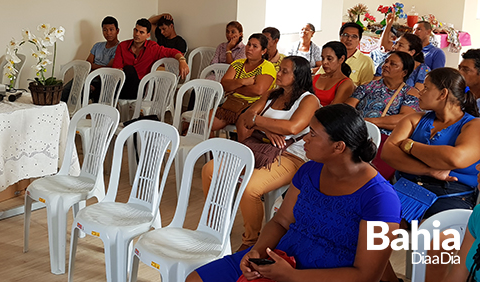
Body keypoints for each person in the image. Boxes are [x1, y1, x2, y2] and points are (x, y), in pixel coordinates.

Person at [187, 104, 401, 282]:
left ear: (338, 147)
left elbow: (367, 275)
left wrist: (292, 276)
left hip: (325, 274)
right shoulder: (309, 171)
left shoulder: (381, 199)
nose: (304, 139)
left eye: (313, 135)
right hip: (282, 256)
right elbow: (281, 221)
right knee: (195, 279)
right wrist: (258, 252)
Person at [204, 56, 318, 251]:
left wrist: (259, 122)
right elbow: (246, 116)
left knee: (250, 189)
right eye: (279, 69)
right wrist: (269, 129)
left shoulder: (308, 100)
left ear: (298, 76)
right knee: (210, 169)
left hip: (291, 156)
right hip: (259, 147)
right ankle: (217, 223)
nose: (278, 74)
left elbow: (292, 127)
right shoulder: (273, 94)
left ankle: (250, 241)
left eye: (284, 71)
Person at [382, 68, 480, 282]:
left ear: (443, 94)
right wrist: (430, 170)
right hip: (407, 188)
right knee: (367, 228)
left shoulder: (473, 124)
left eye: (426, 88)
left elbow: (456, 158)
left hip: (452, 195)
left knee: (437, 245)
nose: (420, 93)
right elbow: (388, 153)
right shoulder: (415, 119)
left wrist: (408, 145)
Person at [346, 51, 421, 179]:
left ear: (404, 72)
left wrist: (367, 122)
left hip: (386, 142)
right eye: (386, 62)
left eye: (393, 64)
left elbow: (404, 120)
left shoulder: (410, 93)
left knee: (371, 177)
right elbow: (348, 108)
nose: (386, 65)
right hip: (357, 135)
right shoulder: (368, 87)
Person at [211, 34, 276, 132]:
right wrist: (243, 81)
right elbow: (224, 85)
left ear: (263, 51)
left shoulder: (267, 66)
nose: (249, 48)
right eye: (248, 44)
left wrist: (234, 87)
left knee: (244, 126)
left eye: (255, 46)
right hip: (233, 104)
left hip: (254, 105)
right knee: (206, 125)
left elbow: (258, 90)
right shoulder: (237, 63)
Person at [112, 18, 189, 99]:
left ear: (148, 35)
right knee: (100, 85)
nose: (137, 34)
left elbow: (172, 52)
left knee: (128, 69)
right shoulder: (122, 46)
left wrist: (182, 61)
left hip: (141, 87)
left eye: (141, 32)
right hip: (123, 84)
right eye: (136, 30)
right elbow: (116, 69)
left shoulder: (153, 48)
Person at [60, 16, 120, 103]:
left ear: (117, 31)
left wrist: (94, 67)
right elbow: (87, 64)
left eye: (111, 29)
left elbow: (109, 69)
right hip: (88, 75)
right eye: (105, 30)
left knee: (81, 88)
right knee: (68, 87)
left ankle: (76, 112)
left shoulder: (119, 48)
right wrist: (95, 67)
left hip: (103, 79)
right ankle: (58, 109)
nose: (108, 33)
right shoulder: (97, 46)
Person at [316, 22, 375, 86]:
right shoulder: (332, 57)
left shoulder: (366, 61)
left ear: (359, 40)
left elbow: (367, 88)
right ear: (340, 37)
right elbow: (318, 77)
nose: (349, 39)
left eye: (354, 36)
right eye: (346, 35)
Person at [313, 41, 354, 106]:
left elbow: (334, 110)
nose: (324, 62)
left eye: (329, 59)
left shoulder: (345, 83)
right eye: (323, 58)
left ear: (341, 59)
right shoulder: (314, 78)